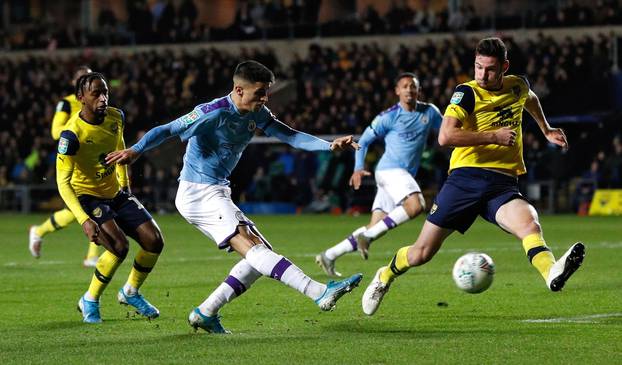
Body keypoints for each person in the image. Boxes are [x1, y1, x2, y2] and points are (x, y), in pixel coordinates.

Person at [106, 60, 363, 334]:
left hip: (216, 188)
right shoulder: (212, 112)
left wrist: (328, 145)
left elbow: (289, 135)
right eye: (259, 93)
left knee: (261, 252)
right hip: (198, 191)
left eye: (266, 93)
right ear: (239, 90)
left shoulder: (258, 112)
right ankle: (319, 292)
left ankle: (206, 312)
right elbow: (167, 129)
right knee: (251, 247)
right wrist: (136, 149)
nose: (264, 99)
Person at [362, 37, 586, 315]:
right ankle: (385, 275)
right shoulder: (466, 93)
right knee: (422, 253)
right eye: (478, 67)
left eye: (490, 69)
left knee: (529, 224)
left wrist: (546, 129)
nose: (482, 75)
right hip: (465, 180)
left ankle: (551, 273)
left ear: (504, 67)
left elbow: (529, 98)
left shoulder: (517, 85)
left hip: (502, 183)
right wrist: (493, 136)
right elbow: (446, 136)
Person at [56, 72, 164, 323]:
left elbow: (120, 148)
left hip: (115, 192)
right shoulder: (72, 135)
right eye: (96, 93)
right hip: (87, 197)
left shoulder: (116, 116)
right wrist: (83, 219)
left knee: (154, 240)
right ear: (81, 97)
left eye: (105, 91)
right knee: (119, 246)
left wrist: (125, 184)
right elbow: (62, 182)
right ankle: (90, 300)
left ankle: (130, 292)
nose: (103, 97)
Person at [316, 73, 442, 277]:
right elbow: (363, 141)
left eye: (413, 86)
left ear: (418, 90)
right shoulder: (389, 116)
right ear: (397, 91)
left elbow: (446, 131)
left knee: (375, 225)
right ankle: (368, 237)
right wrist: (358, 168)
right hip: (389, 170)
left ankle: (329, 255)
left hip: (398, 176)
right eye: (405, 86)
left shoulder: (430, 112)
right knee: (416, 204)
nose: (409, 89)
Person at [29, 65, 102, 267]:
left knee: (79, 209)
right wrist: (77, 126)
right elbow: (55, 132)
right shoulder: (67, 104)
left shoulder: (98, 102)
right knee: (93, 204)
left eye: (89, 77)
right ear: (75, 83)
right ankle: (91, 256)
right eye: (82, 78)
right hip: (74, 159)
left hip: (93, 158)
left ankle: (39, 231)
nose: (87, 81)